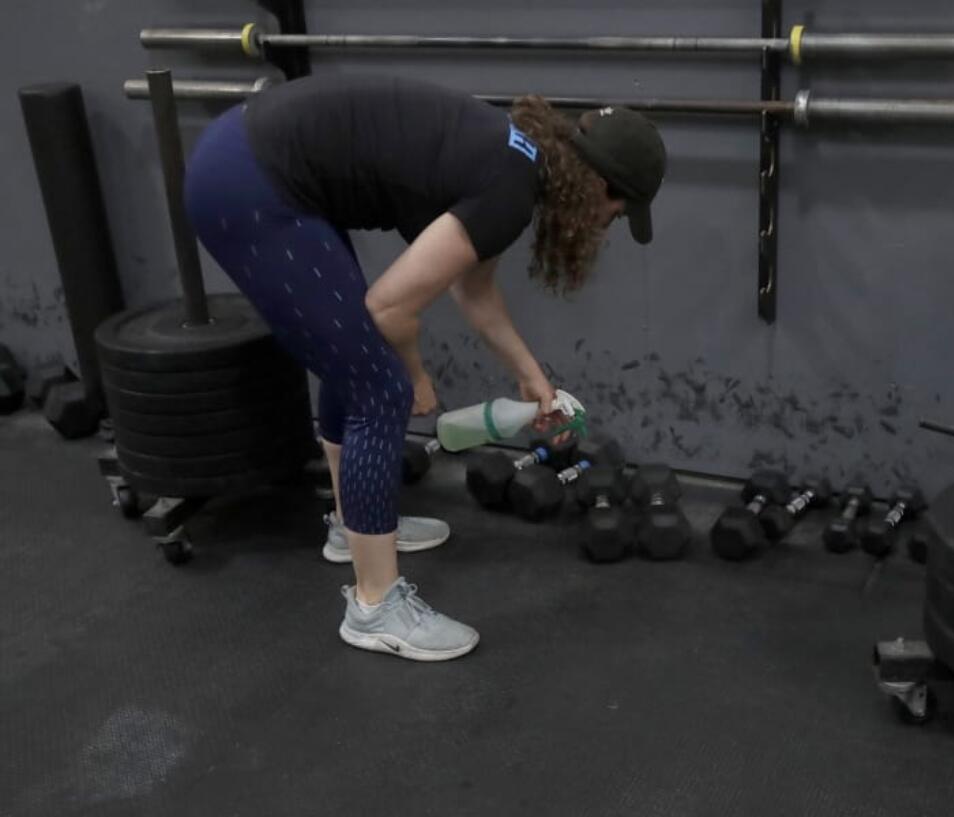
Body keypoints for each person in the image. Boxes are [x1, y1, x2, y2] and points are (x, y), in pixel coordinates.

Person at [184, 73, 666, 662]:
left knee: (354, 357)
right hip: (249, 181)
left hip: (257, 161)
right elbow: (389, 308)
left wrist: (531, 376)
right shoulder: (509, 189)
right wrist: (413, 377)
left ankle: (353, 526)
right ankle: (374, 606)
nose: (608, 226)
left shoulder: (518, 159)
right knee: (379, 390)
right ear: (599, 184)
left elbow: (474, 290)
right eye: (617, 212)